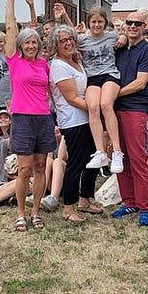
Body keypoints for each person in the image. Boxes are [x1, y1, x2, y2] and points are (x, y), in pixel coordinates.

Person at [4, 0, 56, 231]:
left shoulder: (44, 64)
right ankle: (21, 212)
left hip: (43, 118)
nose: (31, 46)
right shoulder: (14, 62)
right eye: (27, 43)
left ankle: (36, 212)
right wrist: (11, 1)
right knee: (24, 170)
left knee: (40, 167)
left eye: (34, 43)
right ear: (21, 46)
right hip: (23, 118)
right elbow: (11, 29)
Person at [48, 25, 104, 224]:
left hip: (87, 118)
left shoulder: (75, 60)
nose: (69, 42)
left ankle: (84, 199)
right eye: (63, 41)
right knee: (76, 164)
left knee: (93, 159)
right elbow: (71, 98)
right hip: (73, 121)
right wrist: (95, 108)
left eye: (71, 38)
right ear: (55, 45)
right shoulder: (58, 66)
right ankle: (68, 207)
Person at [111, 10, 148, 227]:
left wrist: (114, 94)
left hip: (134, 109)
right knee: (120, 156)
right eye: (129, 23)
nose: (132, 26)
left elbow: (141, 82)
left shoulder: (147, 50)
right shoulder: (119, 47)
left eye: (137, 23)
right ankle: (129, 201)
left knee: (138, 159)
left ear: (143, 26)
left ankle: (145, 207)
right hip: (114, 110)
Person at [70, 5, 127, 173]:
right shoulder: (82, 40)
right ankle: (100, 152)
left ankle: (117, 152)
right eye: (93, 22)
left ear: (105, 23)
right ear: (89, 23)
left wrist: (123, 36)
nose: (96, 25)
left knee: (105, 104)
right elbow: (70, 41)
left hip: (110, 74)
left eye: (100, 22)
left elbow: (125, 35)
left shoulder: (112, 36)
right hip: (93, 77)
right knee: (93, 107)